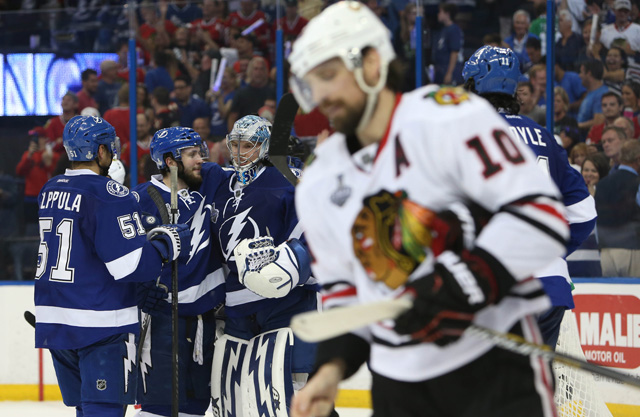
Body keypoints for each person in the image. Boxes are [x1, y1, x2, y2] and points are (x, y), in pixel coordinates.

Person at [288, 3, 569, 417]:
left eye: (328, 75)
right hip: (397, 389)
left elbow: (541, 216)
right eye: (312, 83)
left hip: (492, 370)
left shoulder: (448, 116)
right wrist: (331, 370)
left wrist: (453, 286)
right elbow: (346, 292)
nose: (321, 96)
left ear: (371, 63)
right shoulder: (317, 182)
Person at [34, 115, 189, 417]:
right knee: (103, 410)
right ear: (101, 151)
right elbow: (131, 266)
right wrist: (165, 244)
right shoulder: (107, 192)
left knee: (85, 408)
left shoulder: (50, 189)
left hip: (55, 322)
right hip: (98, 324)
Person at [463, 46, 597, 348]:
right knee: (536, 389)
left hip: (501, 288)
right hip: (551, 286)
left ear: (475, 87)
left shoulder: (469, 135)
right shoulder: (545, 137)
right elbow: (584, 211)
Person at [206, 115, 318, 417]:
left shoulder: (288, 181)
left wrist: (295, 264)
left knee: (288, 393)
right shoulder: (222, 185)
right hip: (237, 309)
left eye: (249, 146)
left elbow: (317, 237)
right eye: (237, 145)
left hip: (286, 304)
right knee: (237, 398)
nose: (241, 153)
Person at [133, 127, 227, 417]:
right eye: (191, 154)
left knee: (196, 406)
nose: (200, 159)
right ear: (170, 162)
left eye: (200, 152)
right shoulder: (139, 199)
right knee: (159, 407)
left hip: (203, 322)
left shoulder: (207, 188)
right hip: (161, 322)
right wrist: (136, 290)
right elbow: (121, 259)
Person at [594, 139, 640, 276]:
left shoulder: (601, 185)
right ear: (638, 159)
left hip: (605, 253)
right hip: (633, 251)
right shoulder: (637, 183)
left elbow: (595, 220)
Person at [431, 3, 464, 85]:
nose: (438, 14)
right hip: (441, 69)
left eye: (440, 12)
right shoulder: (444, 30)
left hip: (450, 70)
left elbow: (454, 52)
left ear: (447, 14)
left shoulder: (454, 30)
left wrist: (449, 73)